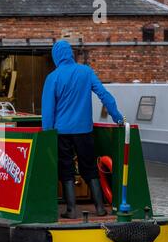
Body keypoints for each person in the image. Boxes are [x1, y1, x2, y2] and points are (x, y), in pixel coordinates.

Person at [42, 40, 125, 219]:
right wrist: (117, 116)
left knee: (66, 168)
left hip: (62, 132)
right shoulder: (86, 72)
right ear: (71, 54)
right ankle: (100, 208)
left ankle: (71, 210)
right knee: (89, 168)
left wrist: (47, 135)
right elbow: (104, 95)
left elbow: (48, 111)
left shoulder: (53, 78)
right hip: (84, 131)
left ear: (56, 56)